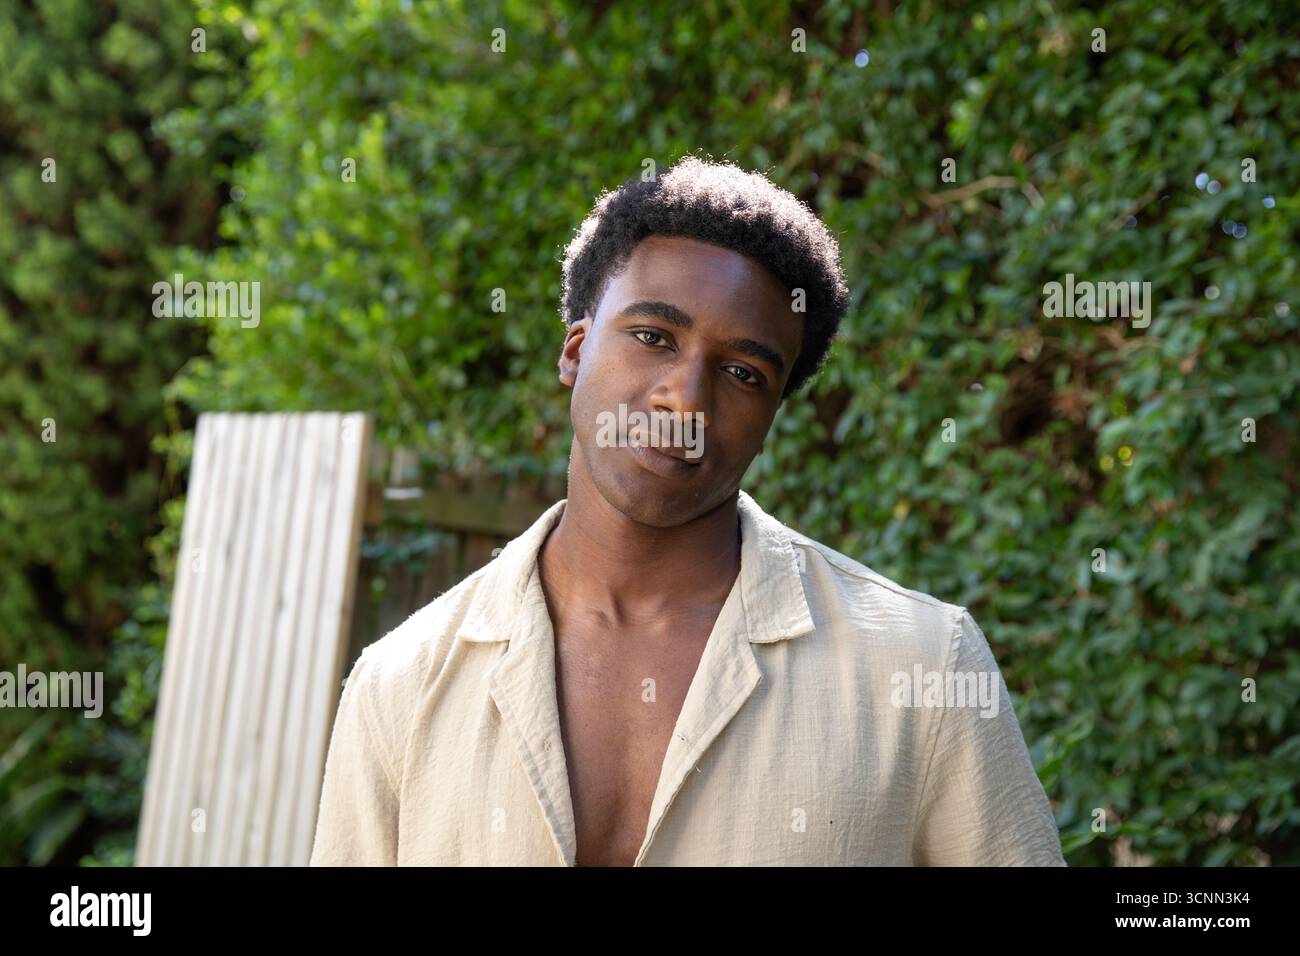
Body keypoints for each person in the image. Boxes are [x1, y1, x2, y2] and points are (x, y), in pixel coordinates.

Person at [309, 155, 1065, 866]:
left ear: (772, 414)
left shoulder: (922, 665)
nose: (684, 398)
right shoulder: (400, 685)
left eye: (742, 371)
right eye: (651, 336)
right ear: (575, 351)